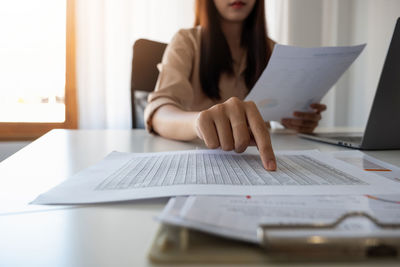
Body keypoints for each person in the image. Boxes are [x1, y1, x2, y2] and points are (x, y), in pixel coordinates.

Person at [144, 0, 326, 171]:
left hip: (259, 164)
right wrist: (200, 123)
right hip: (200, 162)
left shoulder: (273, 50)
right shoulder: (187, 41)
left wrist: (298, 120)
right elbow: (158, 113)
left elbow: (281, 109)